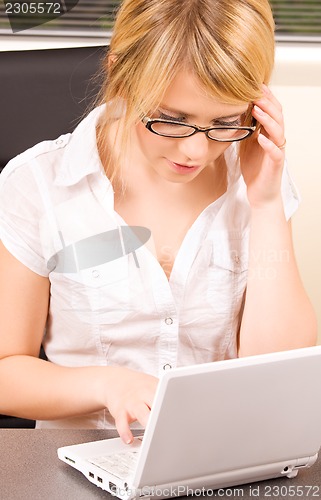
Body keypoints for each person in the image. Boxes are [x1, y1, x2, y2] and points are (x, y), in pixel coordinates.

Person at [0, 0, 317, 444]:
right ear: (120, 77)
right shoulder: (38, 184)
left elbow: (277, 376)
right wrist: (107, 384)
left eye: (224, 122)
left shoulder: (256, 177)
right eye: (172, 120)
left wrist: (265, 205)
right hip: (79, 463)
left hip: (219, 457)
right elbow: (5, 372)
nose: (196, 152)